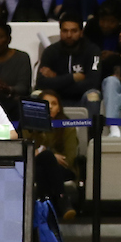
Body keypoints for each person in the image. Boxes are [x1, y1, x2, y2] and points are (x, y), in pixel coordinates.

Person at [23, 90, 79, 221]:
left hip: (63, 170)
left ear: (59, 107)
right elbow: (27, 152)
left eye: (54, 103)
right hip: (35, 166)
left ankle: (44, 209)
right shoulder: (29, 126)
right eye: (46, 103)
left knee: (45, 162)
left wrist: (42, 153)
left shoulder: (67, 126)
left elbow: (69, 159)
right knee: (44, 162)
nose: (51, 107)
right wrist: (52, 155)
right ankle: (62, 200)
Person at [36, 14, 103, 114]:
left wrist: (56, 78)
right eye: (65, 31)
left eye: (74, 31)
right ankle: (37, 130)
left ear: (81, 32)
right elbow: (41, 83)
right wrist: (73, 77)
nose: (69, 35)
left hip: (81, 97)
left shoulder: (93, 50)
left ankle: (93, 130)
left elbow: (93, 83)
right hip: (55, 97)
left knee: (93, 95)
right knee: (35, 95)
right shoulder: (50, 51)